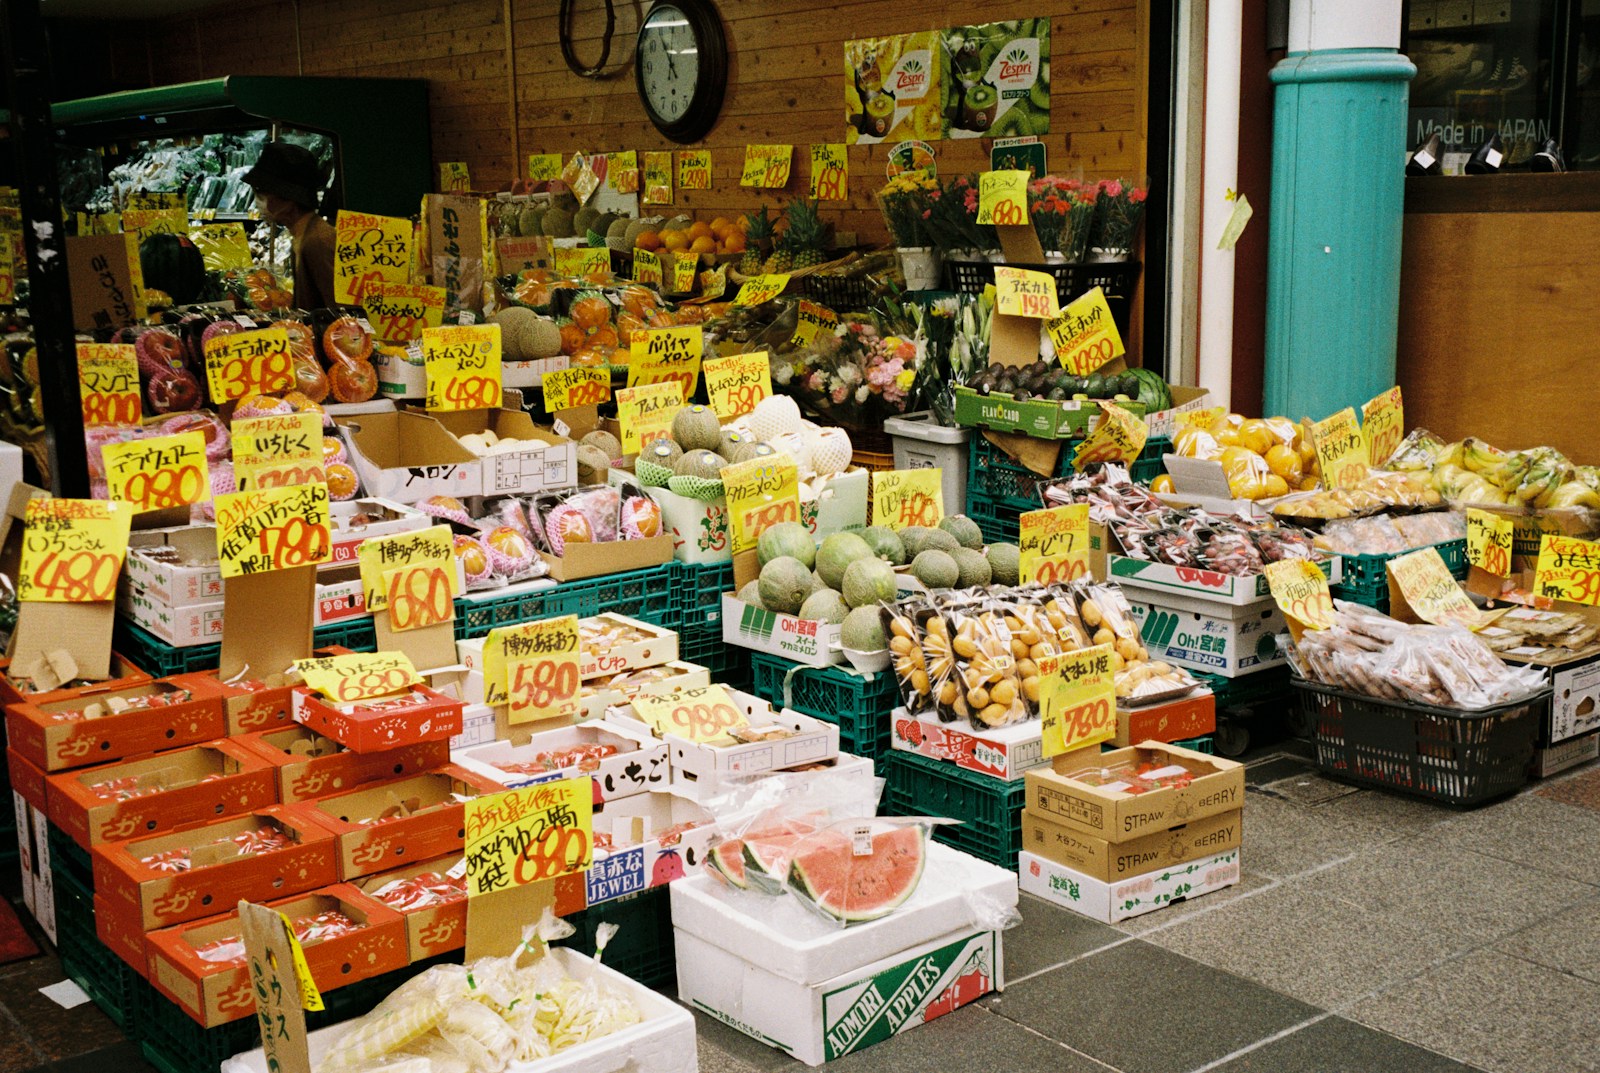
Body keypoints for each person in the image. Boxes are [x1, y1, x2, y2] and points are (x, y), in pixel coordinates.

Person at [242, 141, 337, 310]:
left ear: (288, 199)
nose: (257, 202)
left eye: (261, 193)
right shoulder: (303, 234)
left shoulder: (317, 240)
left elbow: (339, 312)